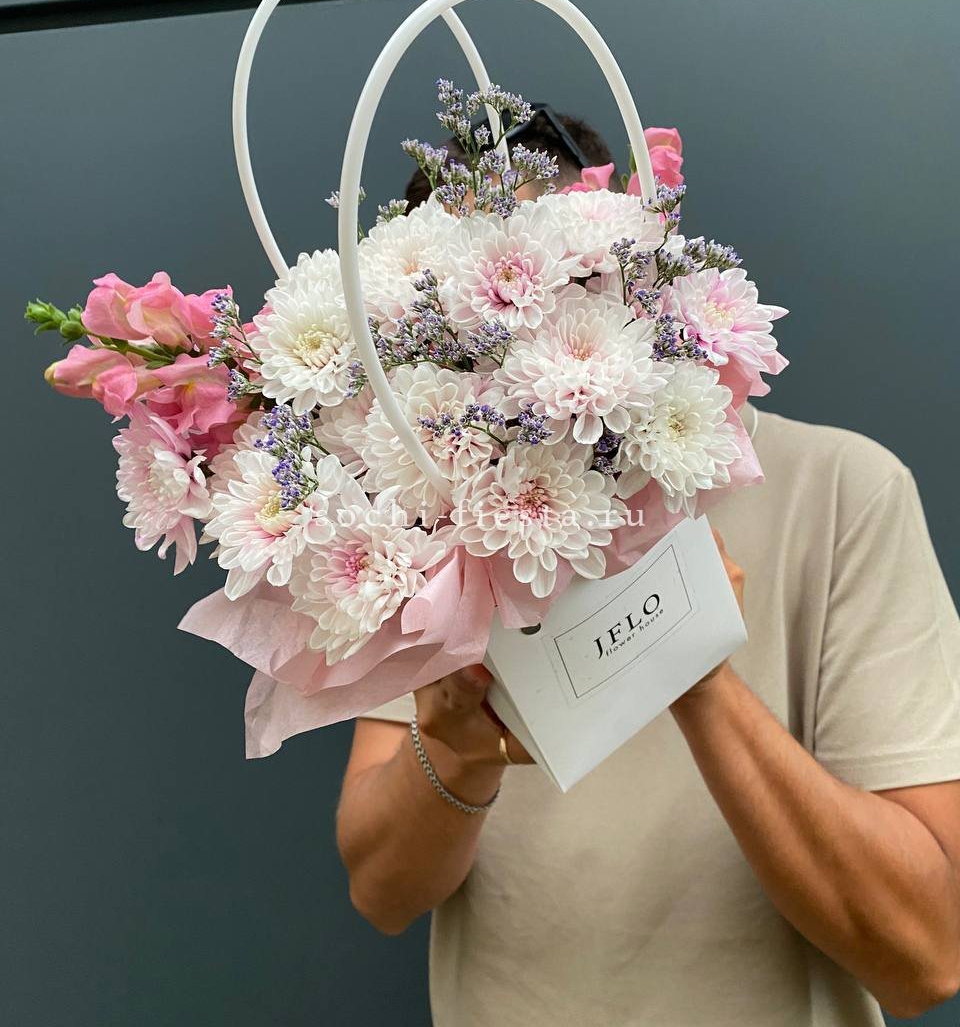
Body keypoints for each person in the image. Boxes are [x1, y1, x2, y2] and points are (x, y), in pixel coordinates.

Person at [336, 110, 960, 1026]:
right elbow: (382, 892)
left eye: (541, 285)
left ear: (631, 270)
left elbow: (926, 953)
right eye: (454, 325)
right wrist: (458, 752)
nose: (500, 347)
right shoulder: (423, 517)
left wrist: (687, 653)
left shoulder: (844, 492)